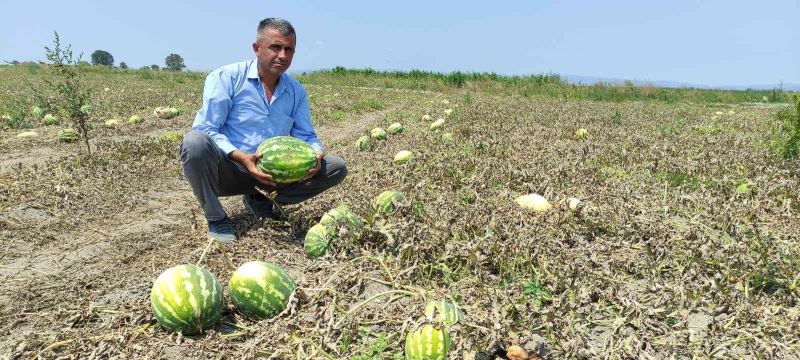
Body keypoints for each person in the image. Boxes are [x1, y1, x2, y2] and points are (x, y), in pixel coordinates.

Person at [181, 18, 347, 244]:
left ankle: (262, 200)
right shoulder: (226, 77)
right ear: (257, 49)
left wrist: (316, 154)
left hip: (271, 175)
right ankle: (216, 218)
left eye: (289, 49)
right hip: (231, 168)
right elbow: (207, 127)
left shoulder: (296, 91)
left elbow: (306, 135)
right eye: (275, 47)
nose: (282, 55)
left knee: (335, 167)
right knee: (195, 142)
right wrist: (241, 157)